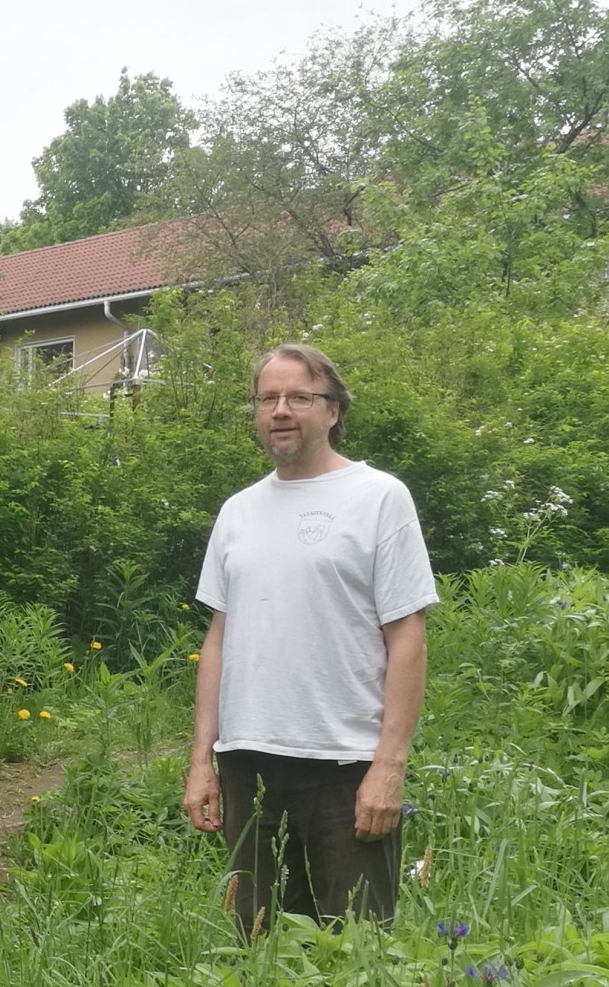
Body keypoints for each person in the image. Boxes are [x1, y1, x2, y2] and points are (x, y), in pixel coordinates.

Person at [183, 344, 438, 932]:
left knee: (356, 947)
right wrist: (202, 761)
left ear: (333, 411)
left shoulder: (379, 498)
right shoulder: (238, 511)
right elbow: (218, 639)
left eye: (300, 396)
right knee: (259, 943)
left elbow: (408, 637)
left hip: (345, 764)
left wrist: (389, 767)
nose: (281, 410)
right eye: (268, 398)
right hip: (248, 762)